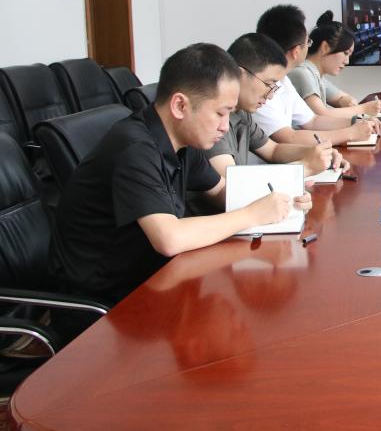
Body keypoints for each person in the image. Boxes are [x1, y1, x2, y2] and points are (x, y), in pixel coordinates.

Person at [49, 43, 313, 305]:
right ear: (179, 105)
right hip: (106, 300)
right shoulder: (134, 148)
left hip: (153, 277)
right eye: (220, 113)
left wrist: (283, 199)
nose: (225, 127)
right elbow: (169, 238)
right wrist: (252, 214)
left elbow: (222, 191)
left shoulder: (182, 142)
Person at [199, 33, 348, 201]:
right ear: (239, 75)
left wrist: (316, 153)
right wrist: (305, 167)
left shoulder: (242, 112)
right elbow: (233, 189)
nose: (270, 96)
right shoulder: (214, 122)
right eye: (269, 84)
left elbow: (273, 150)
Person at [254, 4, 380, 146]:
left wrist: (355, 122)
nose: (347, 61)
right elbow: (289, 138)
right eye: (308, 42)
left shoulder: (284, 81)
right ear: (296, 51)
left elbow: (313, 121)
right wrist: (351, 132)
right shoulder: (262, 86)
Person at [290, 11, 381, 120]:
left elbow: (342, 97)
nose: (347, 61)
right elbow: (321, 116)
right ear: (325, 47)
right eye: (345, 53)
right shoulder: (303, 74)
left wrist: (344, 101)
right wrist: (364, 109)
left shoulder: (316, 75)